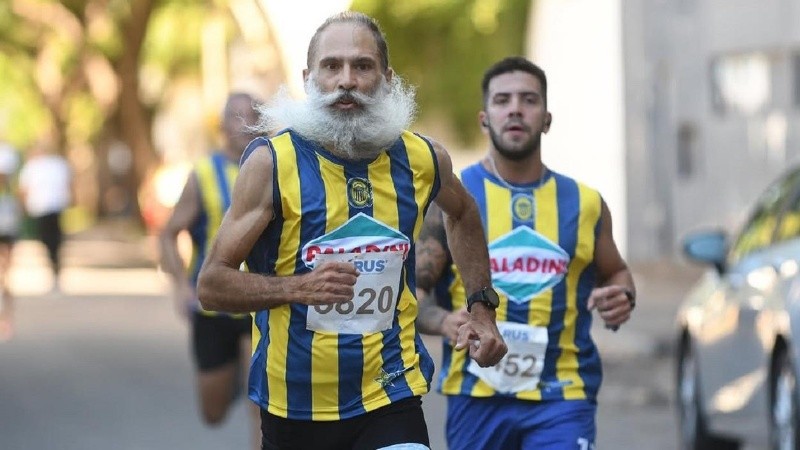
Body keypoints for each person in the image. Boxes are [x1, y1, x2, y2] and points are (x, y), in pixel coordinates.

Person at [196, 11, 507, 450]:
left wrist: (482, 307)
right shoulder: (273, 163)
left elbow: (463, 213)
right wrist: (300, 288)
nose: (347, 80)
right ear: (309, 79)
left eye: (362, 66)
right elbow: (211, 285)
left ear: (386, 78)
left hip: (390, 395)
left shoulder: (422, 158)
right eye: (331, 66)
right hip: (295, 406)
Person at [414, 56, 637, 450]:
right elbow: (413, 294)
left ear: (547, 119)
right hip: (476, 395)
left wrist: (622, 297)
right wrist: (445, 321)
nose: (515, 108)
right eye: (503, 100)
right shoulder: (455, 200)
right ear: (485, 119)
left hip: (562, 396)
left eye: (529, 100)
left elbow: (616, 272)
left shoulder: (586, 203)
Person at [158, 92, 262, 449]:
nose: (245, 125)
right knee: (213, 412)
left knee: (261, 404)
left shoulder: (276, 167)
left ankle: (247, 379)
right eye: (237, 117)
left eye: (253, 117)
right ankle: (232, 375)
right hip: (213, 302)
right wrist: (179, 286)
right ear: (221, 127)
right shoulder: (203, 174)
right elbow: (170, 234)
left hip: (260, 300)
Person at [18, 141, 72, 294]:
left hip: (51, 207)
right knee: (50, 239)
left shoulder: (46, 166)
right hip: (45, 208)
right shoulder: (39, 166)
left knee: (51, 240)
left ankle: (55, 266)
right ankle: (54, 265)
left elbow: (24, 190)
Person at [0, 142, 21, 341]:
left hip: (6, 235)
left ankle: (6, 320)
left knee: (5, 278)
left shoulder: (9, 196)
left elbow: (15, 219)